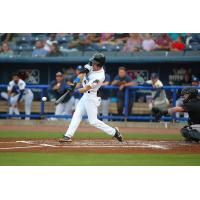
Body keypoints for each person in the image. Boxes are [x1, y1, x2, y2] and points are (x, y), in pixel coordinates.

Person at [59, 53, 123, 142]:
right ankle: (68, 136)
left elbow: (86, 88)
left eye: (94, 63)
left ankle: (114, 132)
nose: (92, 64)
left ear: (99, 64)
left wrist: (75, 90)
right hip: (85, 97)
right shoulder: (90, 65)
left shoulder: (100, 76)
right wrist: (74, 84)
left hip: (92, 97)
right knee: (77, 114)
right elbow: (81, 75)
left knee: (93, 121)